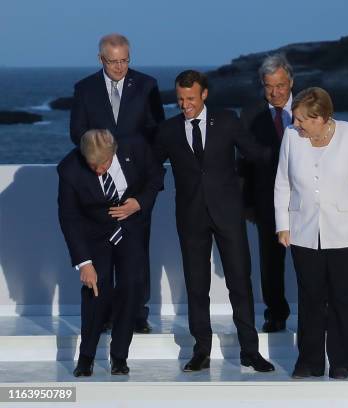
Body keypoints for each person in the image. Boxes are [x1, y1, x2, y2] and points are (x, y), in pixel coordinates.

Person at [154, 70, 274, 373]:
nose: (185, 105)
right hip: (190, 217)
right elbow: (149, 167)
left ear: (204, 94)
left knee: (240, 282)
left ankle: (250, 350)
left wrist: (298, 149)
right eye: (180, 100)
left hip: (229, 215)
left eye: (191, 98)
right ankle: (201, 350)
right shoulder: (168, 130)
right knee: (196, 286)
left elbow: (257, 155)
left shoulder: (227, 121)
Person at [275, 87, 348, 380]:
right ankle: (309, 361)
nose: (296, 124)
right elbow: (282, 183)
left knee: (343, 299)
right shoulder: (291, 138)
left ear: (320, 117)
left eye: (301, 119)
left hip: (345, 230)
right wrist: (283, 224)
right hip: (303, 231)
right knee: (310, 299)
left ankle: (343, 361)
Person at [69, 33, 166, 334]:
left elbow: (157, 133)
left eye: (125, 60)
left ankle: (137, 313)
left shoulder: (147, 85)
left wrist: (141, 171)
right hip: (99, 182)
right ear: (101, 59)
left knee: (136, 253)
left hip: (135, 186)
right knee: (103, 252)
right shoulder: (84, 89)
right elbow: (77, 133)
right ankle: (106, 313)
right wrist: (102, 158)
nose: (120, 67)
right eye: (113, 62)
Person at [58, 129, 164, 377]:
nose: (98, 170)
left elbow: (156, 175)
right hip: (95, 234)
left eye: (103, 164)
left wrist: (139, 202)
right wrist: (84, 263)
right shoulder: (69, 169)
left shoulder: (136, 147)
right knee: (96, 291)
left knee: (130, 288)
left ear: (114, 152)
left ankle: (119, 357)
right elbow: (69, 218)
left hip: (131, 229)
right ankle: (86, 357)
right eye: (92, 165)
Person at [240, 54, 294, 332]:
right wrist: (246, 203)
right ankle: (276, 313)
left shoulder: (310, 108)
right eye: (269, 86)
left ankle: (316, 312)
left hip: (308, 202)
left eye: (281, 85)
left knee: (311, 262)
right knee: (270, 264)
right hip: (267, 202)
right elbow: (244, 163)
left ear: (291, 82)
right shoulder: (250, 115)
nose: (275, 92)